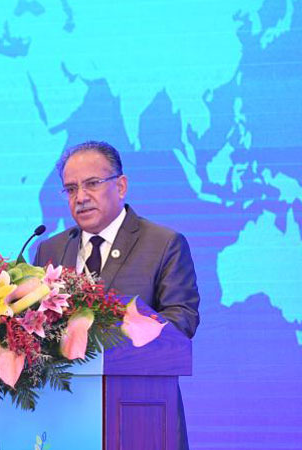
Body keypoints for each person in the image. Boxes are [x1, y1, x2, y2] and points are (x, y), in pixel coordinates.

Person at [33, 140, 200, 449]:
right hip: (65, 417)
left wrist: (113, 333)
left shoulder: (163, 244)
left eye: (92, 184)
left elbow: (181, 321)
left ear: (121, 186)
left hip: (142, 414)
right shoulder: (50, 249)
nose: (81, 197)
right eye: (71, 189)